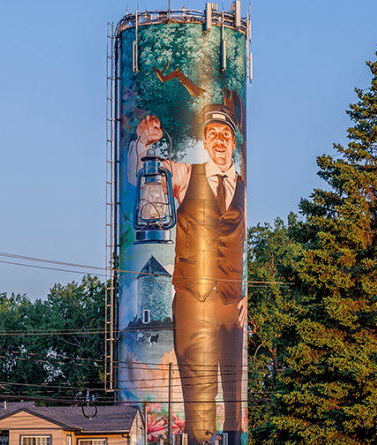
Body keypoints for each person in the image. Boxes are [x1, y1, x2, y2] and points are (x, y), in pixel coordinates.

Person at [128, 104, 246, 445]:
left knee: (235, 388)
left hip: (233, 303)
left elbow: (245, 242)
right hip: (195, 299)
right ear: (206, 142)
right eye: (213, 135)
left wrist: (248, 295)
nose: (220, 140)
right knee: (199, 389)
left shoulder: (243, 185)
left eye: (226, 134)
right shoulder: (185, 173)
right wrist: (142, 146)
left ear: (234, 142)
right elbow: (142, 176)